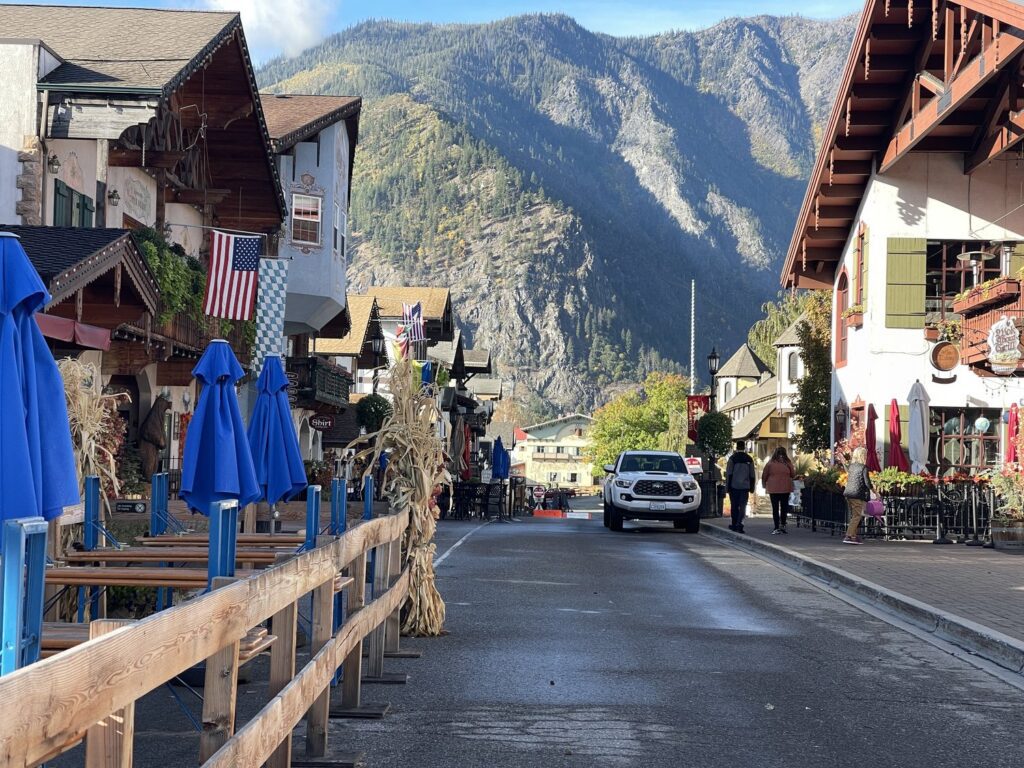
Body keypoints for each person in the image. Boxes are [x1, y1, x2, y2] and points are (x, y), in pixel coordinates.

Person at [762, 446, 795, 534]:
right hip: (785, 488)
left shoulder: (770, 463)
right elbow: (793, 474)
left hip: (773, 488)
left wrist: (764, 484)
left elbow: (764, 474)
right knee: (784, 508)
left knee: (775, 508)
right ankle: (783, 525)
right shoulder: (787, 462)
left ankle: (776, 527)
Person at [843, 446, 872, 545]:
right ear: (862, 456)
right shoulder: (863, 467)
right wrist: (875, 492)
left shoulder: (852, 466)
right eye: (865, 455)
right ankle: (848, 536)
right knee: (857, 516)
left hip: (848, 493)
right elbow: (867, 483)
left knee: (854, 516)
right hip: (857, 494)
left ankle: (854, 537)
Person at [725, 440, 755, 533]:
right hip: (745, 487)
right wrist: (752, 487)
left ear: (736, 447)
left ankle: (734, 524)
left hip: (734, 486)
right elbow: (752, 475)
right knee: (743, 506)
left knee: (734, 505)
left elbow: (729, 474)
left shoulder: (732, 459)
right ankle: (740, 523)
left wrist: (728, 487)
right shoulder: (749, 459)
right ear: (744, 447)